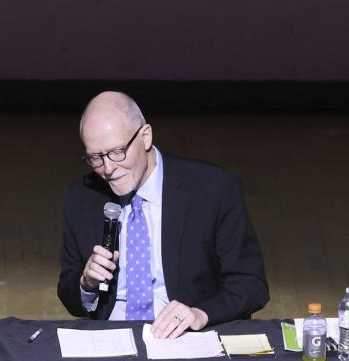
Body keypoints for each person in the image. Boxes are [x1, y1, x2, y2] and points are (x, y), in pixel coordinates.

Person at [57, 91, 268, 338]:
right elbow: (69, 292)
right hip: (111, 339)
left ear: (145, 136)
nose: (108, 168)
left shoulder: (212, 188)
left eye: (117, 152)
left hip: (186, 338)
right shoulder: (81, 197)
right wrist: (86, 284)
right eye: (96, 157)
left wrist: (200, 313)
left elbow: (251, 284)